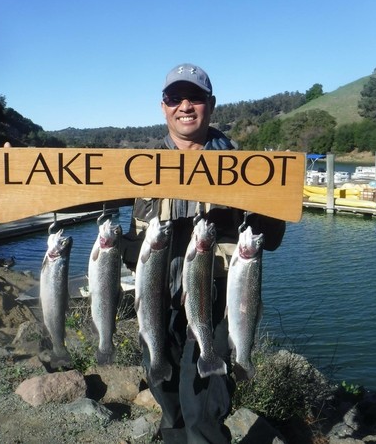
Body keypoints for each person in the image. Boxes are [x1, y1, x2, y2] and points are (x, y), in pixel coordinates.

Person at [121, 64, 286, 443]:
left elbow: (270, 239)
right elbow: (133, 240)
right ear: (162, 107)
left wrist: (274, 200)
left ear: (210, 105)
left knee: (203, 404)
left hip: (216, 300)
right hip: (156, 298)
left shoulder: (245, 166)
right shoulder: (138, 168)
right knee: (166, 394)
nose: (185, 106)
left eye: (194, 97)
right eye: (175, 98)